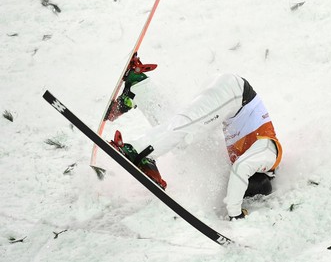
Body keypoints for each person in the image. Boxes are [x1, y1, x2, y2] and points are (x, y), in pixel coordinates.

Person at [110, 73, 282, 220]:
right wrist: (235, 213)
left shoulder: (247, 158)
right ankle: (139, 150)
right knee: (187, 126)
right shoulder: (269, 153)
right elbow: (241, 168)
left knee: (183, 140)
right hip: (235, 93)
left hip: (227, 102)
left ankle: (140, 88)